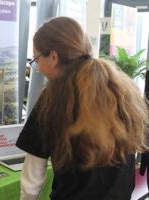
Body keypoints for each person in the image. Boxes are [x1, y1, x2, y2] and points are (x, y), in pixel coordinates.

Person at [16, 16, 149, 200]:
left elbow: (33, 174)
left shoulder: (52, 99)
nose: (36, 66)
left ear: (54, 57)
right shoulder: (121, 87)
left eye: (36, 59)